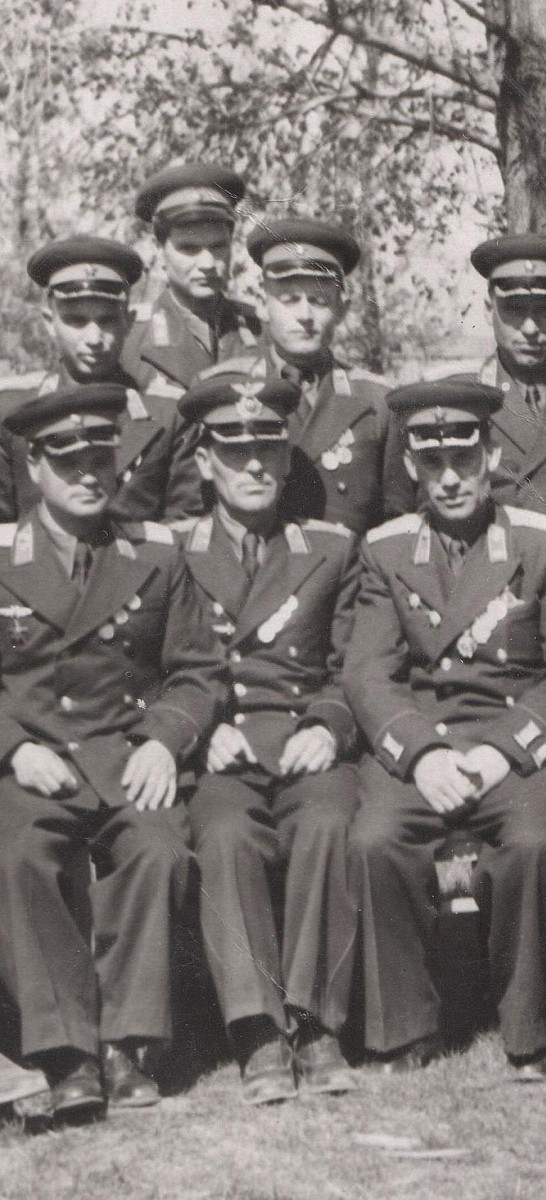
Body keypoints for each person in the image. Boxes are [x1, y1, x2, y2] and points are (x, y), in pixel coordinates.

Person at [345, 378, 546, 1083]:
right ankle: (408, 1028)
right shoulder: (387, 550)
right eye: (433, 465)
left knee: (527, 846)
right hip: (425, 740)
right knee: (374, 841)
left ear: (492, 456)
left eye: (464, 459)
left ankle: (527, 1034)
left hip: (510, 741)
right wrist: (421, 753)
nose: (451, 479)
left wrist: (500, 752)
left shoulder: (543, 545)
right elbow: (369, 673)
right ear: (411, 469)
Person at [0, 384, 226, 1117]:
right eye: (68, 462)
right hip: (37, 755)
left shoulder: (153, 551)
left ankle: (127, 1048)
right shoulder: (4, 554)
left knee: (159, 849)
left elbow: (197, 669)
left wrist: (163, 740)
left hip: (125, 752)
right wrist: (11, 751)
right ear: (34, 467)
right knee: (19, 854)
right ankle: (66, 1053)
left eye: (102, 457)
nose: (90, 474)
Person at [176, 374, 361, 1105]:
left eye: (267, 451)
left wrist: (329, 722)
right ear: (203, 463)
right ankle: (255, 1031)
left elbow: (355, 664)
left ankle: (315, 1026)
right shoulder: (171, 553)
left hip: (303, 739)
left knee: (326, 820)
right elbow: (152, 671)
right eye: (233, 451)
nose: (252, 467)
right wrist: (200, 730)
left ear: (289, 462)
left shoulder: (332, 548)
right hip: (220, 745)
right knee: (223, 833)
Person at [212, 217, 405, 535]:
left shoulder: (378, 402)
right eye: (288, 300)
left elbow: (396, 526)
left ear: (342, 309)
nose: (304, 316)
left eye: (319, 301)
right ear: (263, 303)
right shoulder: (225, 390)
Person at [0, 236, 203, 523]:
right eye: (76, 321)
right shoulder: (10, 413)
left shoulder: (169, 414)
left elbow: (184, 525)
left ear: (129, 322)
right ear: (49, 322)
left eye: (107, 320)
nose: (94, 339)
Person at [428, 232, 546, 519]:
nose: (531, 328)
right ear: (489, 311)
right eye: (514, 310)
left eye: (545, 310)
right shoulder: (457, 394)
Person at [122, 162, 260, 388]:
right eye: (189, 248)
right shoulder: (128, 342)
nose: (207, 264)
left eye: (217, 247)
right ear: (159, 249)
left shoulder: (262, 332)